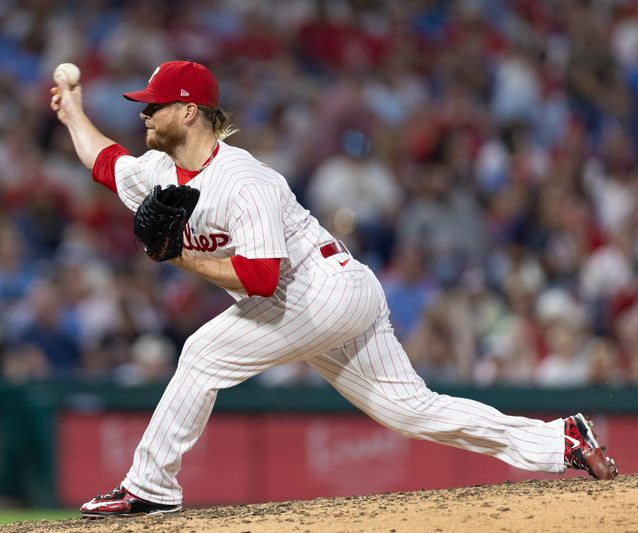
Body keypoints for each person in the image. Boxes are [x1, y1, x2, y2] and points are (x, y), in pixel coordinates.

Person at [49, 61, 618, 518]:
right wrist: (72, 109)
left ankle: (150, 486)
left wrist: (178, 259)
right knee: (411, 411)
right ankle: (560, 440)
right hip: (321, 299)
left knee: (202, 355)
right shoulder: (159, 171)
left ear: (189, 111)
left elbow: (261, 278)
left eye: (155, 105)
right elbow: (104, 161)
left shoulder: (245, 181)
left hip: (321, 288)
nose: (144, 114)